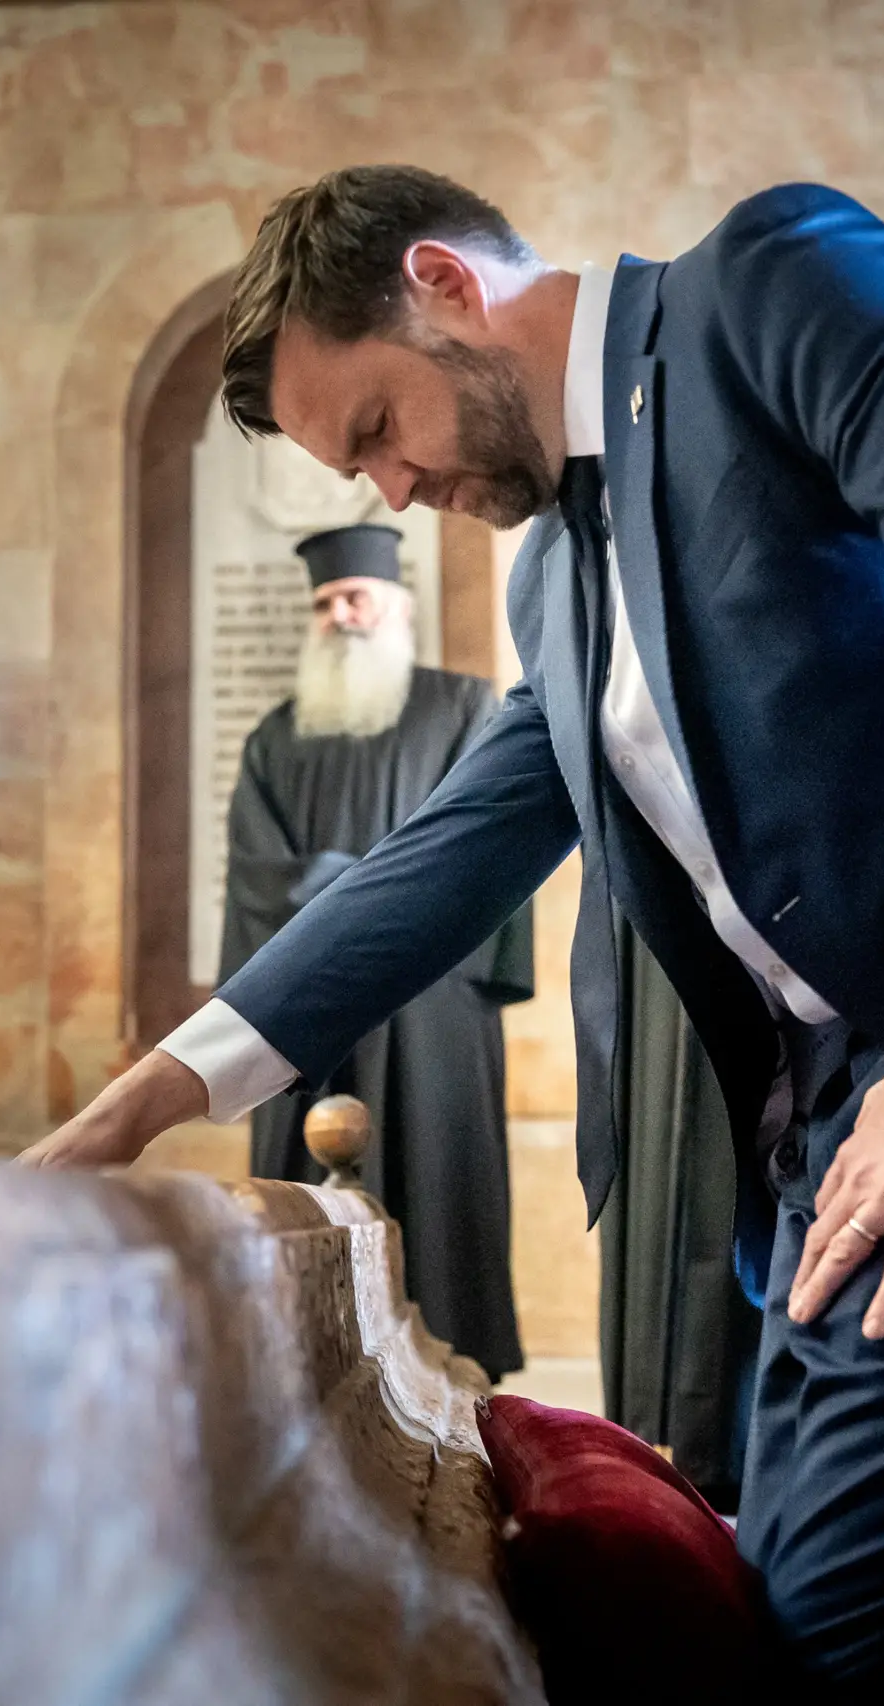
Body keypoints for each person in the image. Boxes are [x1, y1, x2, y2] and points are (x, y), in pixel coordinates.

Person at [23, 168, 884, 1697]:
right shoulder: (554, 584)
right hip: (848, 1123)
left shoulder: (761, 291)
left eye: (377, 427)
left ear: (446, 285)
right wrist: (148, 1096)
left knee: (842, 1626)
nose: (393, 490)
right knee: (790, 1589)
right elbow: (448, 851)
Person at [223, 521, 533, 1377]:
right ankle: (302, 1370)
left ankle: (456, 1373)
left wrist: (364, 897)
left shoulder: (464, 709)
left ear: (397, 605)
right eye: (325, 604)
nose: (342, 616)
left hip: (434, 999)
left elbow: (492, 843)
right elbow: (257, 873)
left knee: (440, 1186)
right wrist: (364, 895)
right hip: (309, 994)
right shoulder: (273, 740)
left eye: (356, 597)